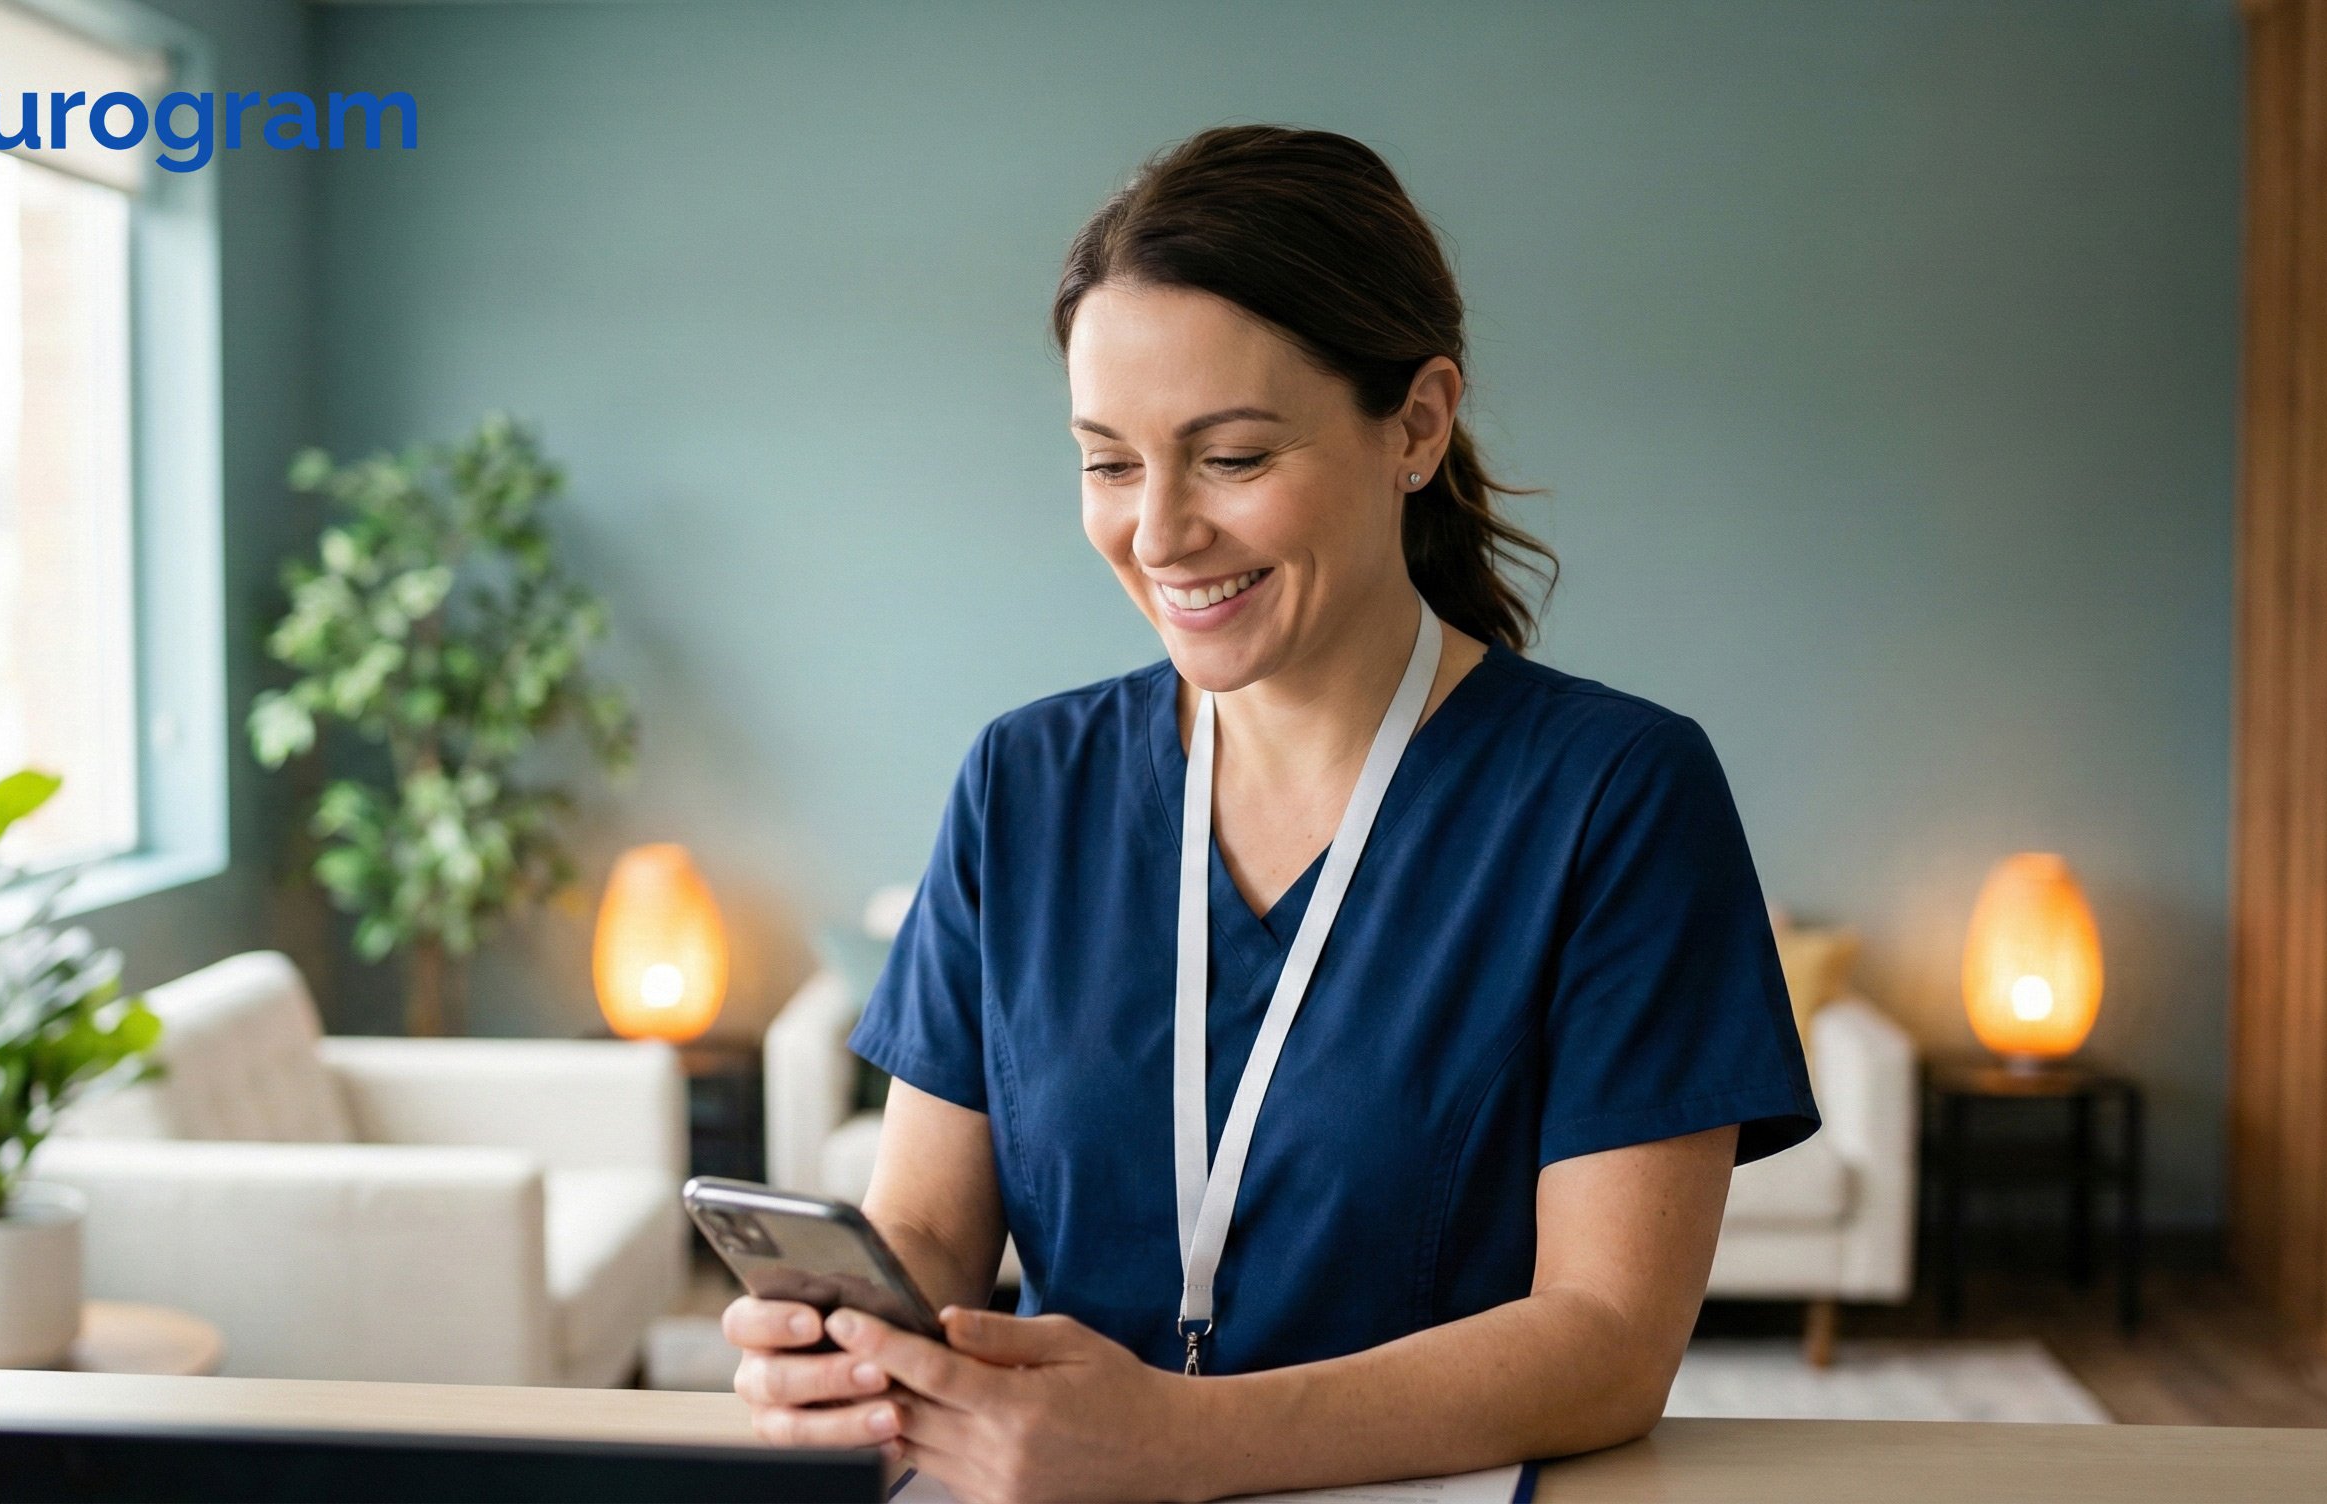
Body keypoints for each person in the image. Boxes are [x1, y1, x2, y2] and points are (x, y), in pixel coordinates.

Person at [723, 124, 1818, 1504]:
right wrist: (848, 1336)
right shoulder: (1023, 783)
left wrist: (1178, 1445)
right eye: (1109, 464)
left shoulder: (1617, 797)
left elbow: (1609, 1343)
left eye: (1230, 458)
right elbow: (931, 1224)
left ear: (1417, 424)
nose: (1160, 534)